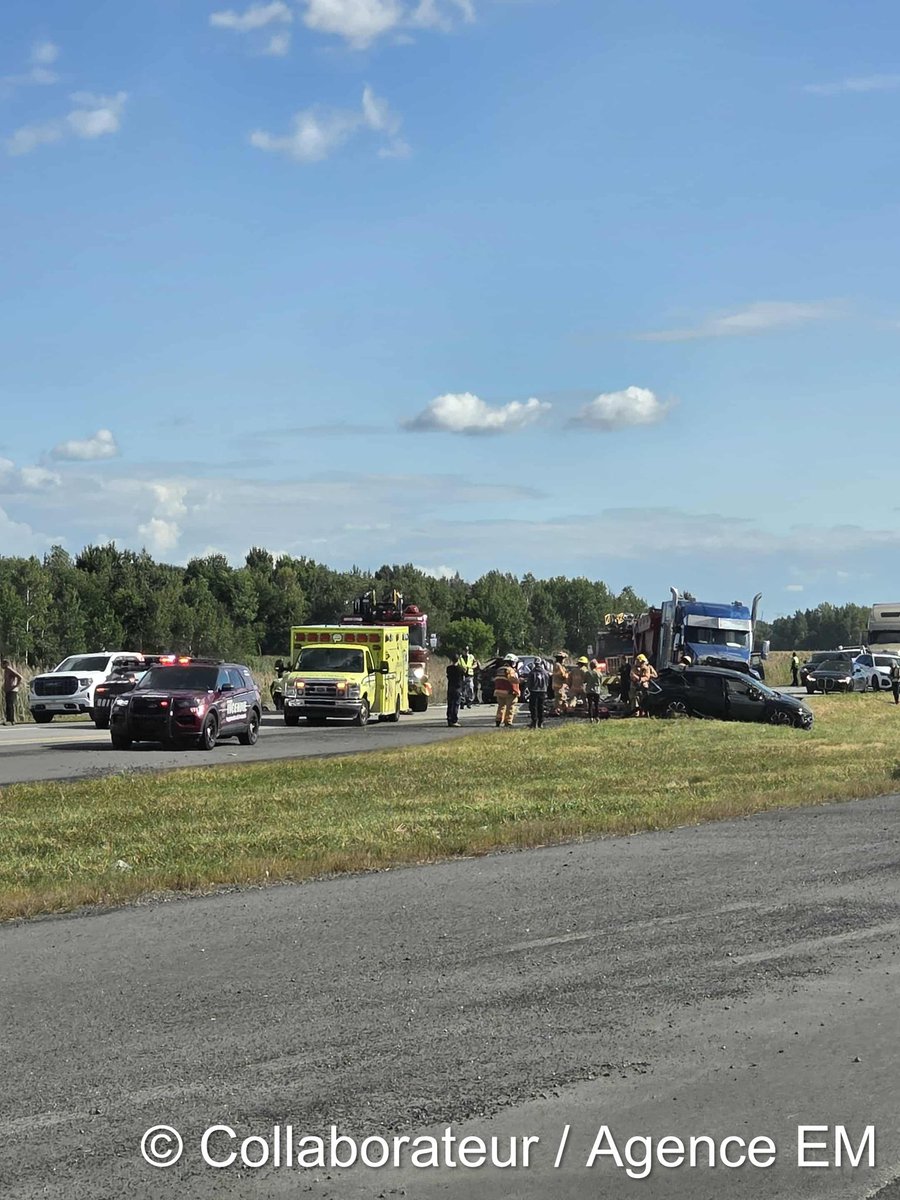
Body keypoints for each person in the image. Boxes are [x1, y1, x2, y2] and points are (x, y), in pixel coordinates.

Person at [493, 653, 521, 726]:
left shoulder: (499, 669)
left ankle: (498, 720)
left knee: (501, 707)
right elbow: (512, 679)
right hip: (509, 692)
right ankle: (508, 722)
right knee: (510, 707)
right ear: (513, 662)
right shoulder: (510, 670)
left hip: (499, 692)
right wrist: (520, 680)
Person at [527, 658, 549, 729]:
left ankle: (534, 723)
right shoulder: (545, 672)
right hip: (542, 691)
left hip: (534, 691)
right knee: (541, 707)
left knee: (533, 707)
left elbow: (529, 683)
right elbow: (547, 682)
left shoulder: (532, 672)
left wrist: (531, 690)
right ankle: (541, 723)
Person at [2, 659, 23, 725]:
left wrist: (16, 685)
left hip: (12, 690)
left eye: (2, 664)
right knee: (8, 705)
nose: (1, 665)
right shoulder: (6, 671)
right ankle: (8, 719)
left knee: (10, 705)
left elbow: (20, 677)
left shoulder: (9, 669)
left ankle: (11, 720)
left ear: (6, 664)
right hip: (8, 690)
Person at [445, 653, 464, 726]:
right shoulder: (460, 668)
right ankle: (454, 720)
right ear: (458, 660)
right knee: (456, 704)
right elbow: (464, 673)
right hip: (458, 687)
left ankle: (449, 719)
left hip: (450, 687)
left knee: (450, 704)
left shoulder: (449, 668)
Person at [584, 658, 605, 723]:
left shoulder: (587, 673)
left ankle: (591, 718)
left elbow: (584, 681)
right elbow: (601, 682)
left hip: (589, 690)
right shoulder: (599, 673)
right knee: (596, 705)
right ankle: (597, 717)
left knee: (590, 705)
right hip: (596, 691)